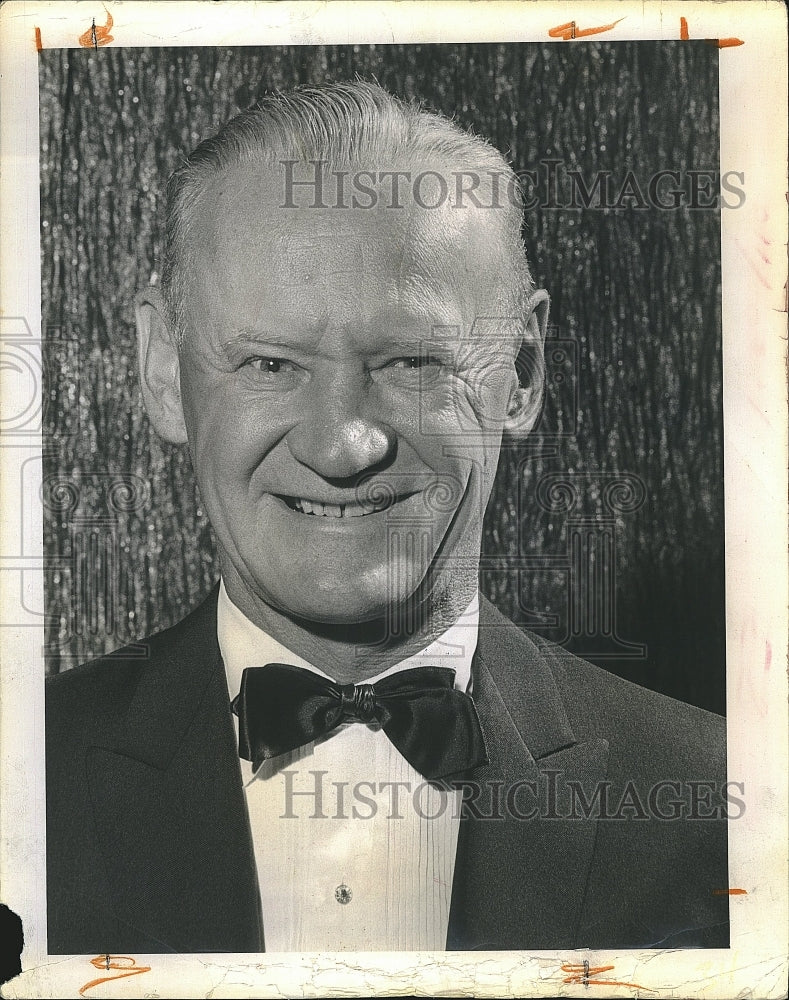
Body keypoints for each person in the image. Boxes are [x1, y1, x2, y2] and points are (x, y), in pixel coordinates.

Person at [46, 81, 729, 955]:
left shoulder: (716, 801)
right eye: (268, 364)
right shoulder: (13, 781)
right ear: (158, 368)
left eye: (410, 360)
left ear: (520, 371)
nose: (342, 446)